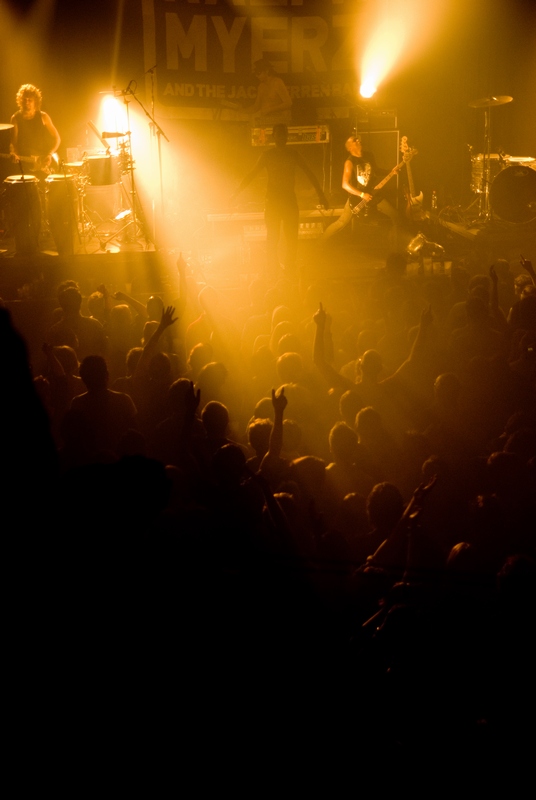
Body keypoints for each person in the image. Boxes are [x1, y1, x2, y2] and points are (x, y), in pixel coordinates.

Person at [230, 123, 328, 274]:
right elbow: (251, 175)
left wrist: (321, 196)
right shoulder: (268, 155)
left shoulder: (292, 154)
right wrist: (236, 193)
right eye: (279, 134)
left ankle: (288, 268)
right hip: (274, 201)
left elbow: (309, 173)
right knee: (273, 237)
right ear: (274, 136)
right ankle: (273, 268)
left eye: (283, 134)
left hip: (287, 200)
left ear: (286, 137)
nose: (281, 137)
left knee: (290, 239)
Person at [321, 132, 399, 244]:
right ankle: (319, 244)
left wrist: (390, 171)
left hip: (373, 194)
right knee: (341, 222)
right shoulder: (350, 162)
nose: (359, 140)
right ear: (350, 147)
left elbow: (376, 171)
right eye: (355, 140)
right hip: (357, 198)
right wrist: (362, 195)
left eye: (358, 139)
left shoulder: (369, 155)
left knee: (395, 216)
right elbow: (345, 184)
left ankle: (396, 244)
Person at [9, 83, 60, 176]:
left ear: (35, 101)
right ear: (20, 100)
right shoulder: (15, 118)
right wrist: (13, 153)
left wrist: (50, 154)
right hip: (25, 164)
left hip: (43, 163)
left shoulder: (43, 116)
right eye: (24, 100)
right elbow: (13, 142)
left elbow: (57, 138)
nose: (26, 102)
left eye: (30, 100)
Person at [246, 59, 292, 126]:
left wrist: (270, 109)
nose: (257, 76)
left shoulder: (277, 82)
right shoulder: (261, 86)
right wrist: (242, 111)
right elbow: (256, 107)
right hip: (266, 121)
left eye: (258, 73)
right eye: (255, 74)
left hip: (280, 123)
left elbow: (288, 103)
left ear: (267, 71)